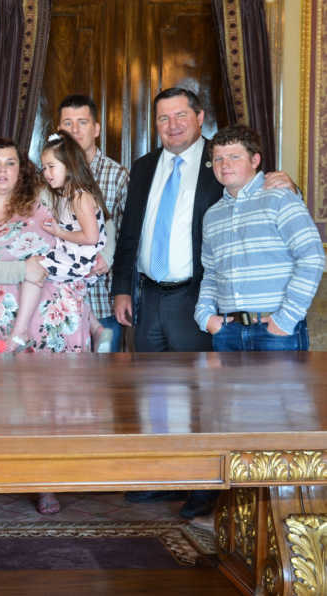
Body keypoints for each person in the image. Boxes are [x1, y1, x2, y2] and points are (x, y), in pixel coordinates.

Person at [111, 87, 296, 519]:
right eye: (162, 118)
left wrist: (287, 180)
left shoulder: (221, 162)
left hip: (199, 296)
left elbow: (261, 186)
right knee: (153, 394)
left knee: (200, 396)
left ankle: (201, 486)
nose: (172, 125)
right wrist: (122, 287)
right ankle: (162, 478)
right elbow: (129, 233)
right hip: (148, 295)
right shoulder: (142, 168)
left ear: (199, 118)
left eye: (180, 116)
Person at [0, 137, 93, 514]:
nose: (2, 170)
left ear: (22, 169)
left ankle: (46, 482)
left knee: (44, 405)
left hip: (52, 321)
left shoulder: (44, 202)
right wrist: (22, 269)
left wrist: (101, 258)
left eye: (11, 163)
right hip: (1, 325)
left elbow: (90, 229)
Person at [195, 125, 324, 350]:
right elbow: (211, 272)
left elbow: (312, 257)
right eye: (218, 159)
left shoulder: (281, 198)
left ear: (255, 160)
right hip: (227, 331)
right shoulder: (212, 215)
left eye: (234, 157)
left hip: (276, 332)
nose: (225, 165)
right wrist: (204, 315)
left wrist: (285, 320)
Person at [1, 132, 109, 353]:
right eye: (44, 167)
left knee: (36, 268)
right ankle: (96, 327)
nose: (46, 173)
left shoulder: (79, 196)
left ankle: (20, 329)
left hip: (82, 257)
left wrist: (59, 232)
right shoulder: (64, 195)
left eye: (52, 166)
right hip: (77, 254)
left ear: (69, 165)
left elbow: (91, 237)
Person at [58, 94, 129, 350]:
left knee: (103, 384)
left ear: (96, 129)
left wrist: (108, 257)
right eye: (68, 123)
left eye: (82, 122)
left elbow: (127, 237)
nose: (74, 130)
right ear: (59, 129)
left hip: (101, 300)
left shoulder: (117, 175)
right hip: (57, 302)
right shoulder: (46, 175)